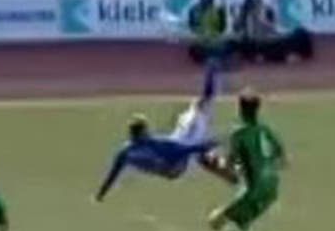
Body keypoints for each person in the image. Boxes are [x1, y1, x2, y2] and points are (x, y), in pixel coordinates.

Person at [94, 63, 237, 201]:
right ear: (143, 131)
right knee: (198, 142)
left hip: (174, 157)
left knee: (199, 150)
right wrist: (213, 143)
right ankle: (226, 170)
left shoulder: (125, 150)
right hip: (177, 164)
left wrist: (101, 193)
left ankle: (225, 171)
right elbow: (184, 150)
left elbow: (113, 173)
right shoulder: (159, 143)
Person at [207, 89, 287, 231]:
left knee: (216, 220)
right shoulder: (265, 130)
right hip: (272, 185)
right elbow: (280, 156)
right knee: (241, 224)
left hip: (254, 188)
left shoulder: (239, 133)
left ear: (240, 109)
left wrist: (213, 161)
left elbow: (230, 163)